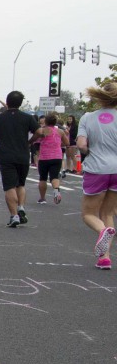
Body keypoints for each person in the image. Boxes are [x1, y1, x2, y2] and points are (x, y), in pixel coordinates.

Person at [76, 82, 117, 269]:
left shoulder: (88, 118)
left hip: (97, 168)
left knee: (89, 214)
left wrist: (89, 151)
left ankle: (102, 231)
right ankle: (104, 258)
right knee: (108, 213)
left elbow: (82, 144)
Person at [0, 91, 41, 227]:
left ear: (7, 102)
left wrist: (1, 139)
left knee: (9, 187)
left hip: (6, 156)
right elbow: (40, 132)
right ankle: (21, 207)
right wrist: (30, 141)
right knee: (20, 184)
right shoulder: (27, 118)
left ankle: (14, 215)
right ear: (20, 103)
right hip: (23, 155)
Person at [35, 113, 69, 205]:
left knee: (43, 178)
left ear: (45, 121)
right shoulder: (60, 132)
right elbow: (67, 143)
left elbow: (36, 141)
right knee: (54, 176)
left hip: (44, 157)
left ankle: (42, 198)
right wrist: (58, 144)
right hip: (57, 157)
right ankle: (56, 190)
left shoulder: (42, 131)